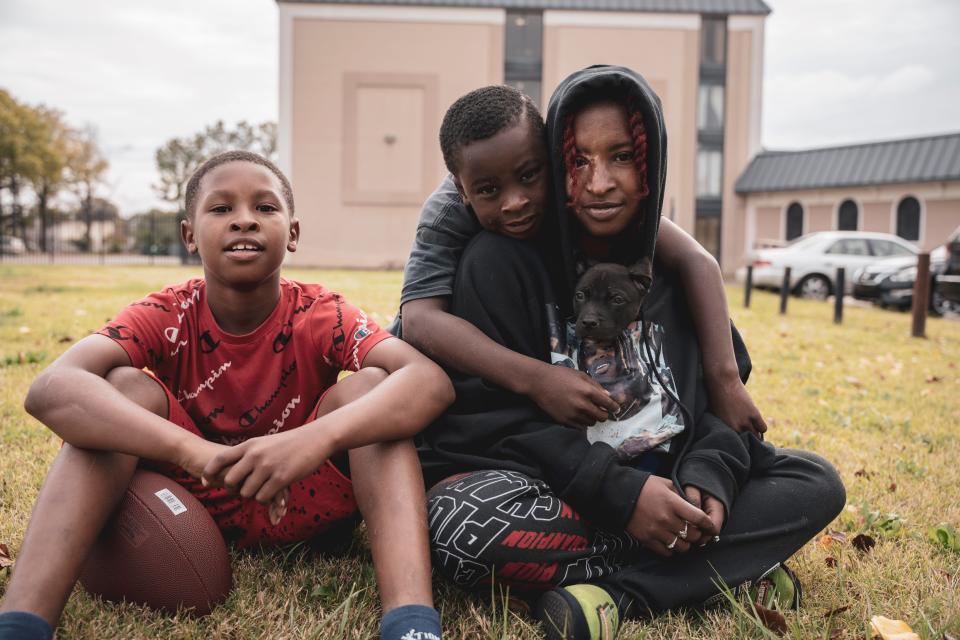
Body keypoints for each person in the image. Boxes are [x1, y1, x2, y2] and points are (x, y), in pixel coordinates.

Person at [406, 69, 845, 640]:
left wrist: (706, 479)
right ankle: (729, 566)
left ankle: (619, 595)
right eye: (579, 160)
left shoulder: (676, 269)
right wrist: (624, 496)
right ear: (559, 161)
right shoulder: (498, 261)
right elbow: (489, 423)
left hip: (670, 482)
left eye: (622, 157)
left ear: (651, 167)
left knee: (816, 483)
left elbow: (723, 412)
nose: (600, 182)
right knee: (463, 527)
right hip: (567, 492)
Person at [0, 151, 453, 640]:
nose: (243, 220)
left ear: (293, 234)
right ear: (189, 235)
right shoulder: (169, 311)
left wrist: (313, 440)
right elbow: (50, 388)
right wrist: (200, 455)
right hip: (194, 498)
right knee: (123, 388)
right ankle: (23, 620)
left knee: (371, 390)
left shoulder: (321, 312)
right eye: (221, 209)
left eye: (265, 208)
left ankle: (411, 623)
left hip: (305, 497)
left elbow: (429, 382)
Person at [396, 84, 766, 438]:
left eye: (529, 175)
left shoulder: (573, 181)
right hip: (454, 364)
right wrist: (537, 379)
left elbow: (695, 258)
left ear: (551, 155)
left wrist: (725, 379)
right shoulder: (447, 213)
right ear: (463, 190)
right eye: (489, 191)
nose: (515, 202)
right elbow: (419, 320)